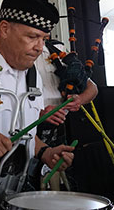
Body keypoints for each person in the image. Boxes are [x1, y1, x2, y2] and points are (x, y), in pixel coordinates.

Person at [0, 0, 74, 205]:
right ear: (5, 29)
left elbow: (22, 131)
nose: (39, 47)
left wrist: (45, 151)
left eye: (44, 39)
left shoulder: (33, 76)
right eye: (32, 37)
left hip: (13, 192)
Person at [35, 41, 98, 190]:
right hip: (31, 128)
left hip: (60, 124)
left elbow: (92, 87)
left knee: (58, 185)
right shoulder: (19, 49)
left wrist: (79, 100)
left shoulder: (59, 49)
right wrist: (38, 115)